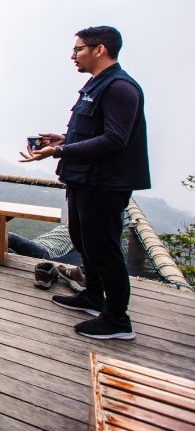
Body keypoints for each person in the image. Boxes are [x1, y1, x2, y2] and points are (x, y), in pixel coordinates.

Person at [21, 26, 149, 340]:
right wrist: (63, 138)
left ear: (100, 49)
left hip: (105, 184)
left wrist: (60, 150)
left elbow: (115, 139)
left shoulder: (120, 87)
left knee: (105, 250)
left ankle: (117, 319)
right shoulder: (97, 85)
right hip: (84, 180)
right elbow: (95, 132)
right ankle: (93, 296)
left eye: (78, 49)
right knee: (83, 241)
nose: (73, 55)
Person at [0, 224, 86, 291]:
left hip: (45, 252)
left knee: (9, 237)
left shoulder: (76, 233)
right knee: (6, 250)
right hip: (36, 244)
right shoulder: (63, 227)